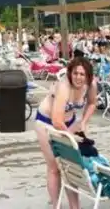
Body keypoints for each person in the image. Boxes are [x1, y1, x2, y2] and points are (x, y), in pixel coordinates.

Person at [35, 57, 97, 209]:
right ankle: (56, 205)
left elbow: (92, 103)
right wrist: (71, 137)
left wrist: (83, 122)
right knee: (54, 168)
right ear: (70, 73)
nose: (78, 77)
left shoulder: (91, 84)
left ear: (88, 76)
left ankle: (75, 206)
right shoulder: (64, 86)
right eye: (75, 73)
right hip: (47, 123)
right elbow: (56, 120)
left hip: (69, 122)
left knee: (71, 168)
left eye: (82, 74)